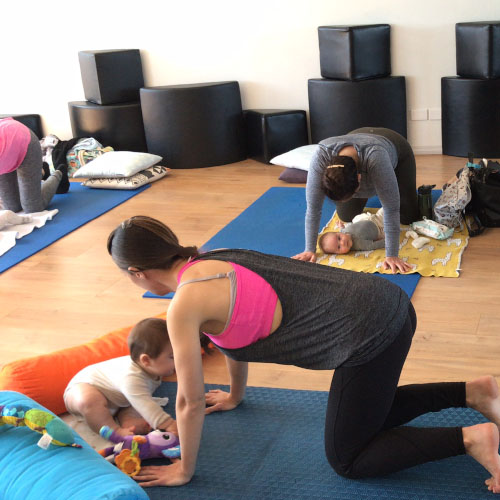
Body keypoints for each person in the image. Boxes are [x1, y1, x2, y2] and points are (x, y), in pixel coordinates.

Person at [105, 215, 500, 492]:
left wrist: (184, 469)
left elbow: (189, 401)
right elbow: (232, 335)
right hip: (391, 304)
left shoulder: (183, 306)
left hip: (369, 335)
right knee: (364, 413)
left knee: (349, 459)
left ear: (137, 271)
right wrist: (235, 395)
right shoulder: (214, 259)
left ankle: (470, 438)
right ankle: (476, 392)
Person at [293, 127, 419, 273]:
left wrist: (391, 255)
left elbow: (391, 209)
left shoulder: (376, 159)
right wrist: (309, 249)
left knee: (408, 217)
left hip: (394, 147)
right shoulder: (321, 158)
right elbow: (313, 209)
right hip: (354, 140)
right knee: (346, 216)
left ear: (360, 179)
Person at [64, 317, 177, 437]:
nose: (178, 360)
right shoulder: (132, 377)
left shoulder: (152, 369)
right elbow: (144, 403)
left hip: (118, 400)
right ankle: (114, 432)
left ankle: (126, 420)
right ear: (146, 360)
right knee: (90, 400)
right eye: (172, 356)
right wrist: (167, 423)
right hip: (81, 388)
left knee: (134, 401)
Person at [0, 118, 69, 214]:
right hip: (6, 155)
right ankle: (42, 170)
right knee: (12, 208)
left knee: (32, 208)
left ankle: (59, 173)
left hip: (24, 142)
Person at [319, 207, 385, 254]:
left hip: (375, 218)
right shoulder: (358, 244)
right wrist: (387, 241)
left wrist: (341, 226)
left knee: (385, 209)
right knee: (391, 229)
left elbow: (343, 229)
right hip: (380, 229)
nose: (342, 243)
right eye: (339, 247)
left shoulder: (343, 232)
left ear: (339, 233)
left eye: (339, 238)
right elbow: (373, 245)